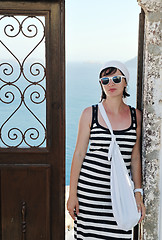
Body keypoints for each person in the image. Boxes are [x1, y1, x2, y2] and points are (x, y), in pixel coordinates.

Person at [67, 60, 146, 239]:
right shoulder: (90, 113)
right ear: (100, 84)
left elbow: (134, 158)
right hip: (90, 193)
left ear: (125, 82)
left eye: (116, 78)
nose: (111, 83)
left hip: (120, 196)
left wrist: (138, 194)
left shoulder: (136, 116)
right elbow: (79, 154)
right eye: (105, 80)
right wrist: (73, 194)